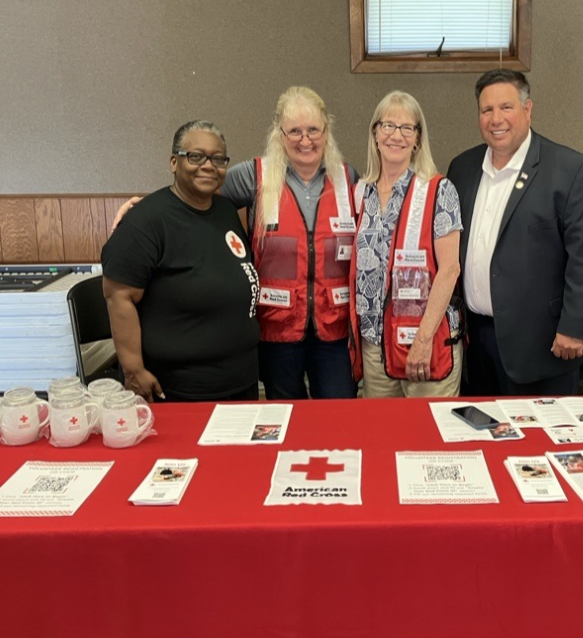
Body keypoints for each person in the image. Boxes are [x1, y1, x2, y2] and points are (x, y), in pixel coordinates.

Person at [114, 87, 357, 400]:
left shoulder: (348, 179)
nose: (305, 140)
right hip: (277, 330)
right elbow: (195, 189)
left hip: (334, 330)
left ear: (326, 131)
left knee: (338, 414)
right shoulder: (254, 175)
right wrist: (145, 207)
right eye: (294, 131)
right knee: (287, 414)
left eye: (313, 130)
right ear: (280, 134)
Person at [447, 70, 583, 397]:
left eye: (506, 107)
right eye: (486, 110)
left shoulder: (570, 170)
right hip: (476, 342)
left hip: (544, 345)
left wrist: (574, 328)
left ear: (528, 109)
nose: (496, 119)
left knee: (541, 442)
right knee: (484, 436)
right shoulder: (462, 168)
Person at [101, 120, 261, 402]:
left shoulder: (225, 211)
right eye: (196, 156)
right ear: (175, 162)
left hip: (240, 383)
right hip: (180, 390)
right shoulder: (147, 221)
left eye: (218, 158)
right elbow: (118, 295)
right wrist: (134, 370)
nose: (209, 165)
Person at [349, 90, 463, 398]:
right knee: (384, 438)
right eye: (387, 125)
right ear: (375, 133)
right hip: (376, 345)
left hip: (424, 341)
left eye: (406, 128)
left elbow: (450, 269)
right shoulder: (361, 194)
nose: (395, 135)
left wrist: (423, 340)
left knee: (430, 439)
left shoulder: (439, 190)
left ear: (417, 139)